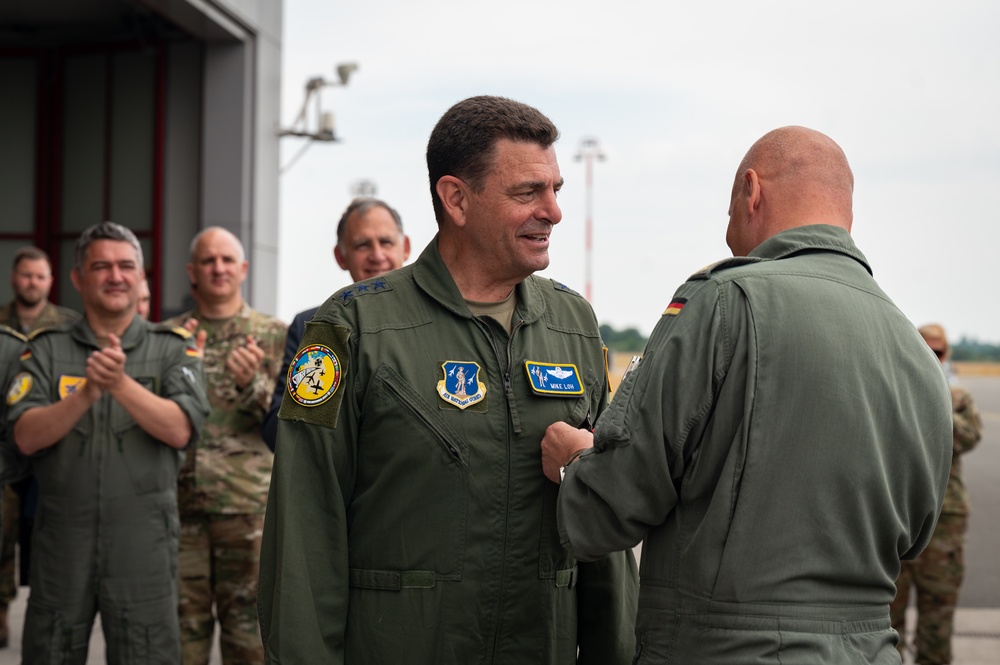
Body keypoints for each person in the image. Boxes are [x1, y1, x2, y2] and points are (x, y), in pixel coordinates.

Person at [540, 126, 954, 664]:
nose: (729, 224)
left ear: (752, 191)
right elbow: (915, 536)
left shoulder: (725, 300)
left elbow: (616, 502)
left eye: (730, 206)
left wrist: (574, 462)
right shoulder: (916, 352)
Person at [258, 95, 638, 664]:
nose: (553, 211)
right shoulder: (350, 326)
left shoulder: (573, 323)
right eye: (527, 192)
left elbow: (598, 524)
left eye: (556, 190)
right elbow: (303, 529)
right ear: (456, 199)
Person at [6, 221, 209, 663]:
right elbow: (24, 436)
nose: (115, 276)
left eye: (125, 266)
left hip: (144, 542)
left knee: (147, 653)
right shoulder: (43, 350)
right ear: (78, 277)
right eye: (101, 266)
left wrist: (118, 383)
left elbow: (180, 429)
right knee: (50, 651)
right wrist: (87, 393)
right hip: (62, 540)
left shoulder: (174, 348)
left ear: (141, 277)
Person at [165, 227, 287, 664]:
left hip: (248, 513)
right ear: (192, 271)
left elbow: (287, 424)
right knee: (181, 639)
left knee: (249, 642)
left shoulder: (276, 335)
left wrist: (250, 383)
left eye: (226, 260)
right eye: (208, 260)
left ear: (243, 269)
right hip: (180, 510)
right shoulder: (168, 338)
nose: (218, 267)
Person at [260, 197, 410, 450]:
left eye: (386, 242)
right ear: (341, 256)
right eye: (362, 245)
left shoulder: (439, 319)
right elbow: (281, 434)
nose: (377, 255)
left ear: (405, 247)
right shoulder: (316, 326)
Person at [0, 246, 81, 646]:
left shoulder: (69, 325)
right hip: (6, 445)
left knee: (46, 531)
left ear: (51, 281)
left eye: (39, 276)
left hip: (53, 446)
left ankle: (53, 609)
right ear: (14, 278)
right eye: (25, 275)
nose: (32, 282)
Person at [890, 323, 983, 665]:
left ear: (947, 354)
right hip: (899, 513)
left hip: (946, 516)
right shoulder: (896, 388)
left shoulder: (958, 396)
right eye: (925, 350)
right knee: (886, 618)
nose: (932, 358)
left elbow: (969, 437)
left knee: (938, 615)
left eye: (938, 352)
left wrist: (931, 404)